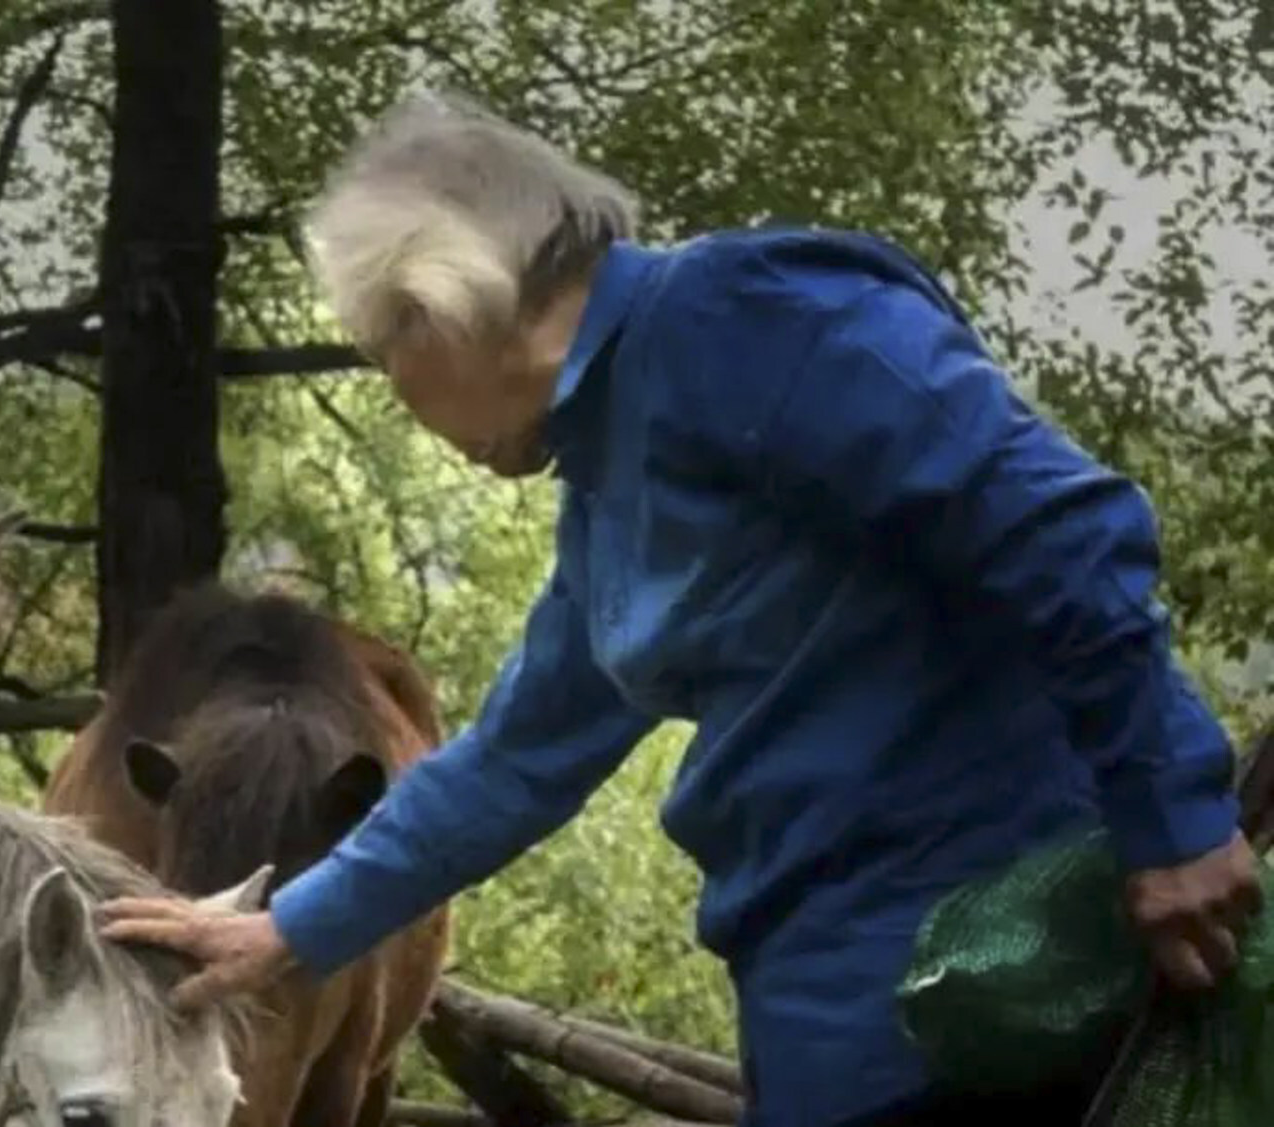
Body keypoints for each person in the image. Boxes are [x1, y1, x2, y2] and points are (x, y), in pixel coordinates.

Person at [96, 92, 1263, 1127]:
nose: (400, 396)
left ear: (442, 298)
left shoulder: (749, 318)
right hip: (834, 1029)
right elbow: (509, 762)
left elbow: (1052, 524)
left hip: (998, 982)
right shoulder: (607, 489)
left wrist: (1171, 808)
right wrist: (285, 928)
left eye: (381, 348)